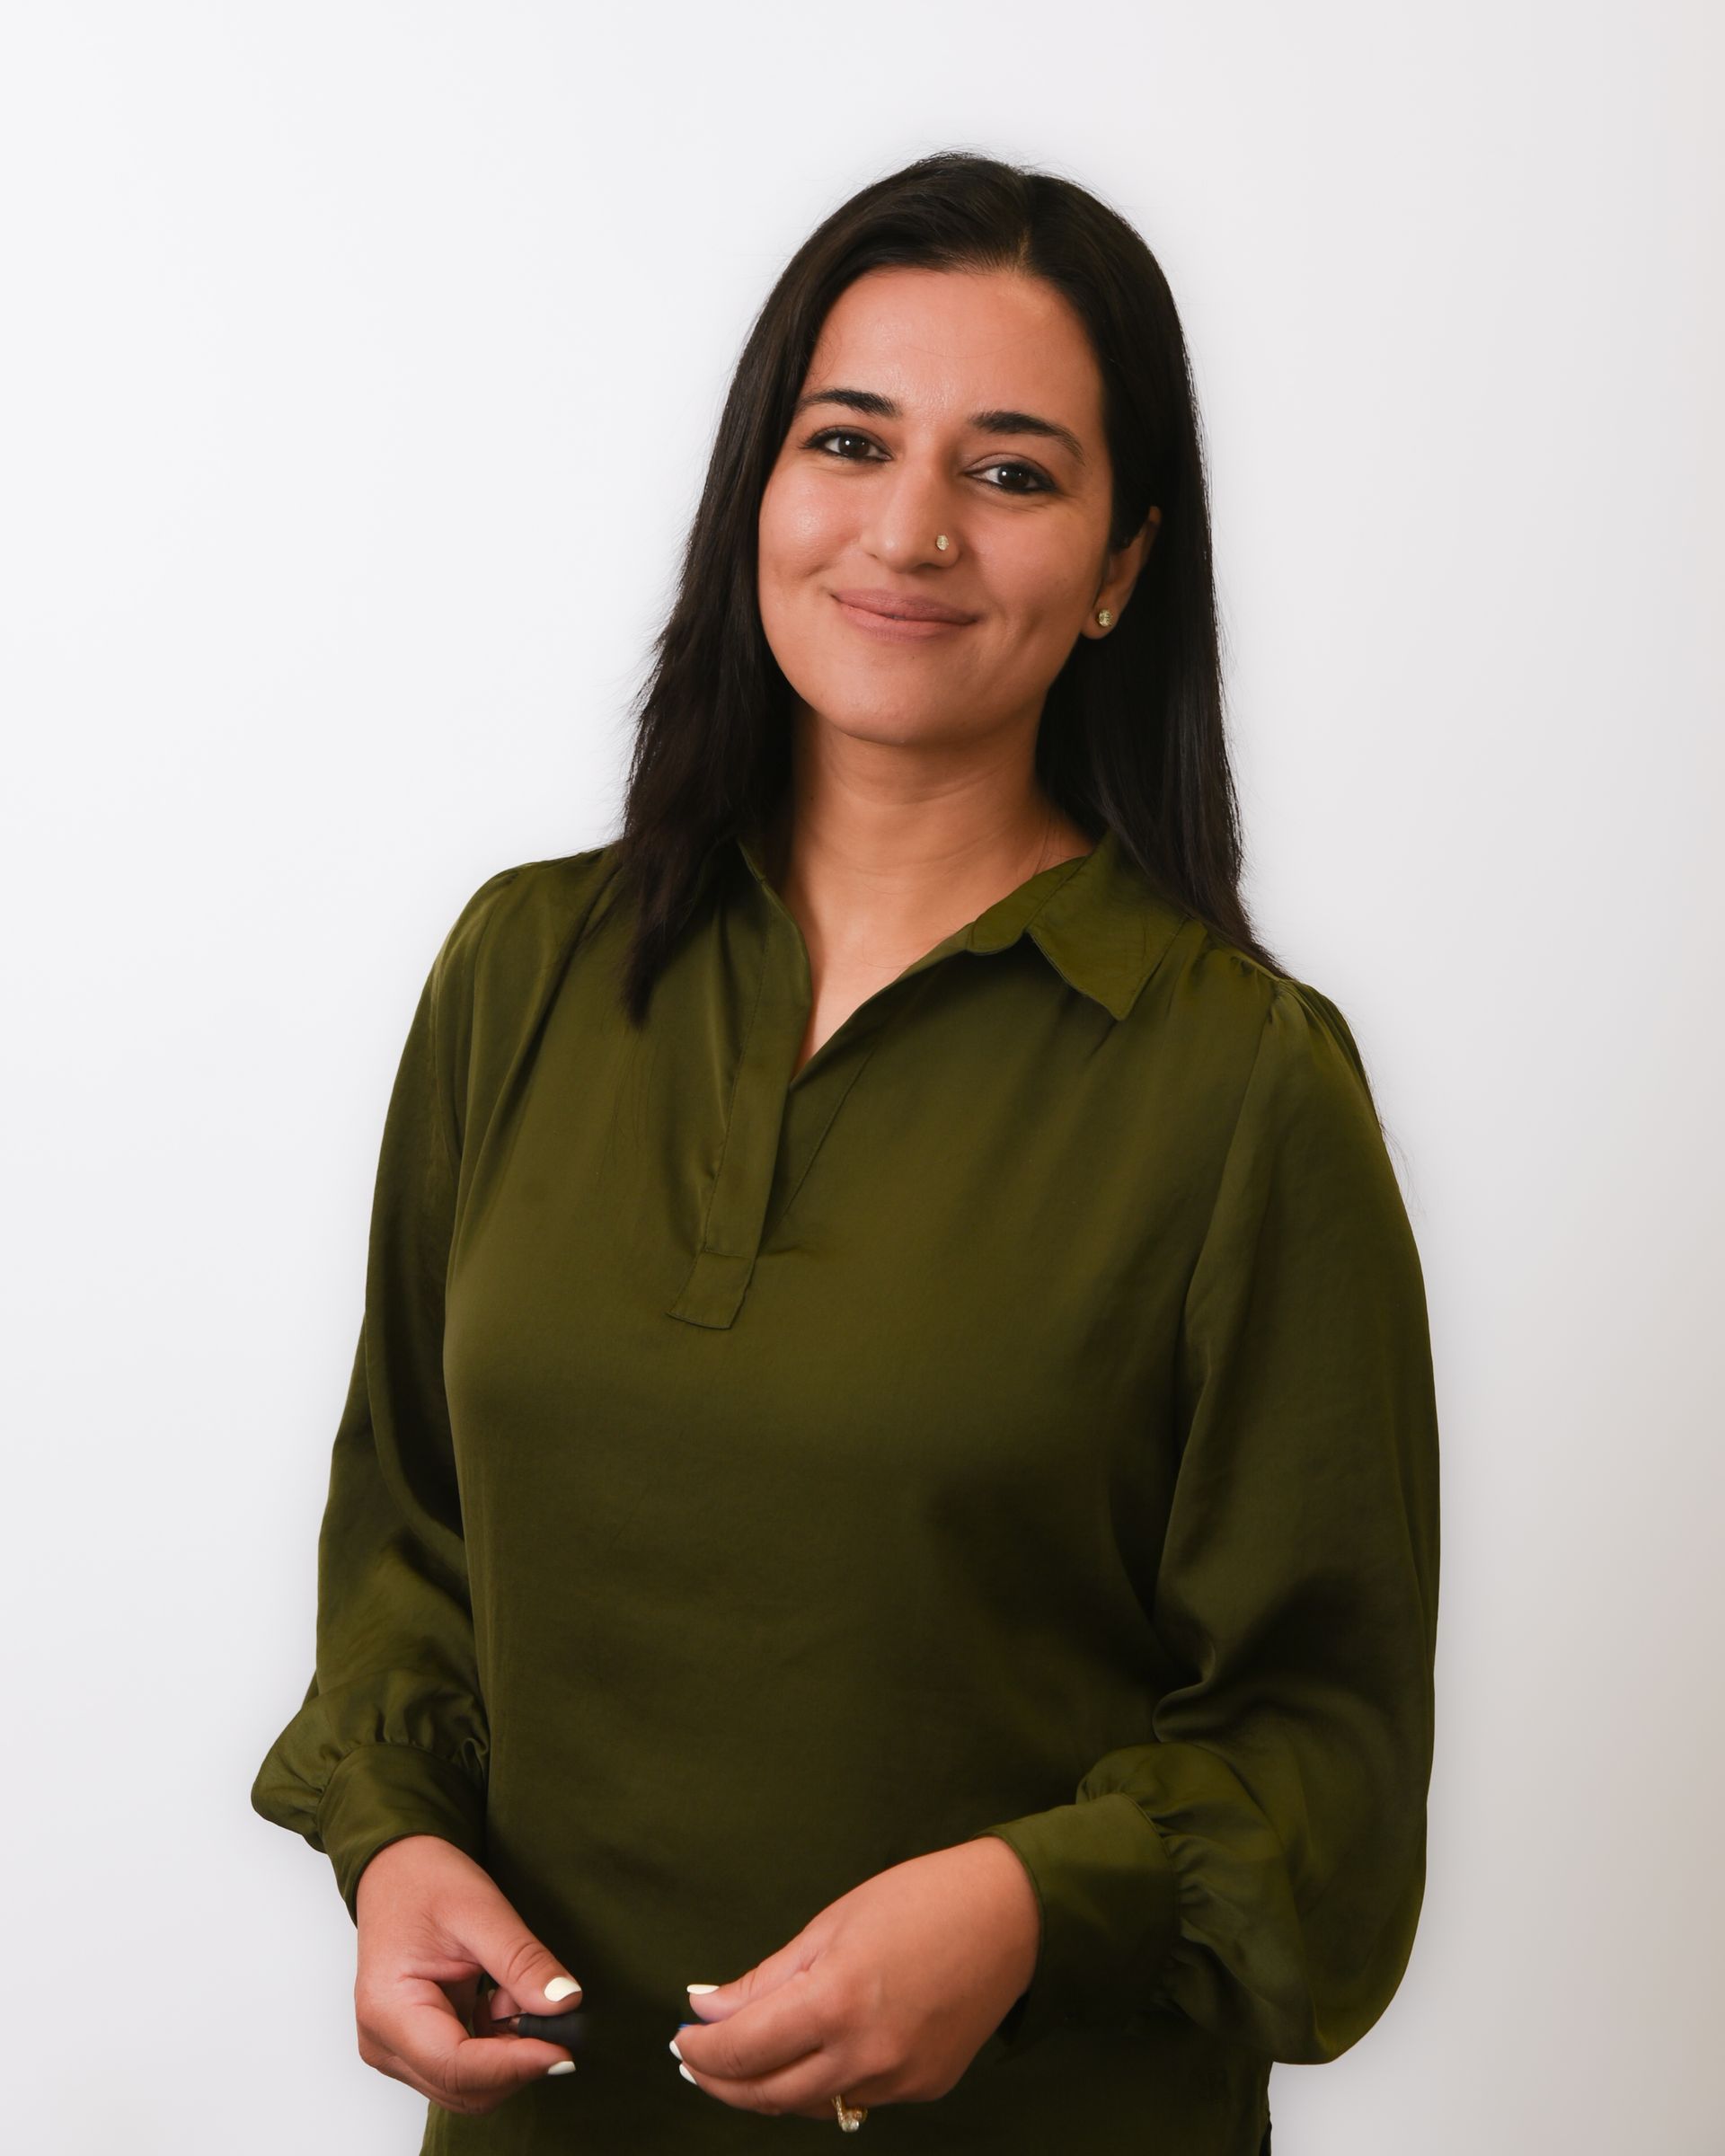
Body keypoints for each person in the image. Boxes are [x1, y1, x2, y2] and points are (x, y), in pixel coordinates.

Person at [251, 149, 1440, 2154]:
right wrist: (389, 1846)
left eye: (1012, 471)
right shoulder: (522, 975)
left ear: (1124, 567)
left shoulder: (1239, 1088)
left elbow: (1325, 1766)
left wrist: (1021, 1909)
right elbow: (411, 1544)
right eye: (850, 439)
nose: (909, 530)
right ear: (759, 492)